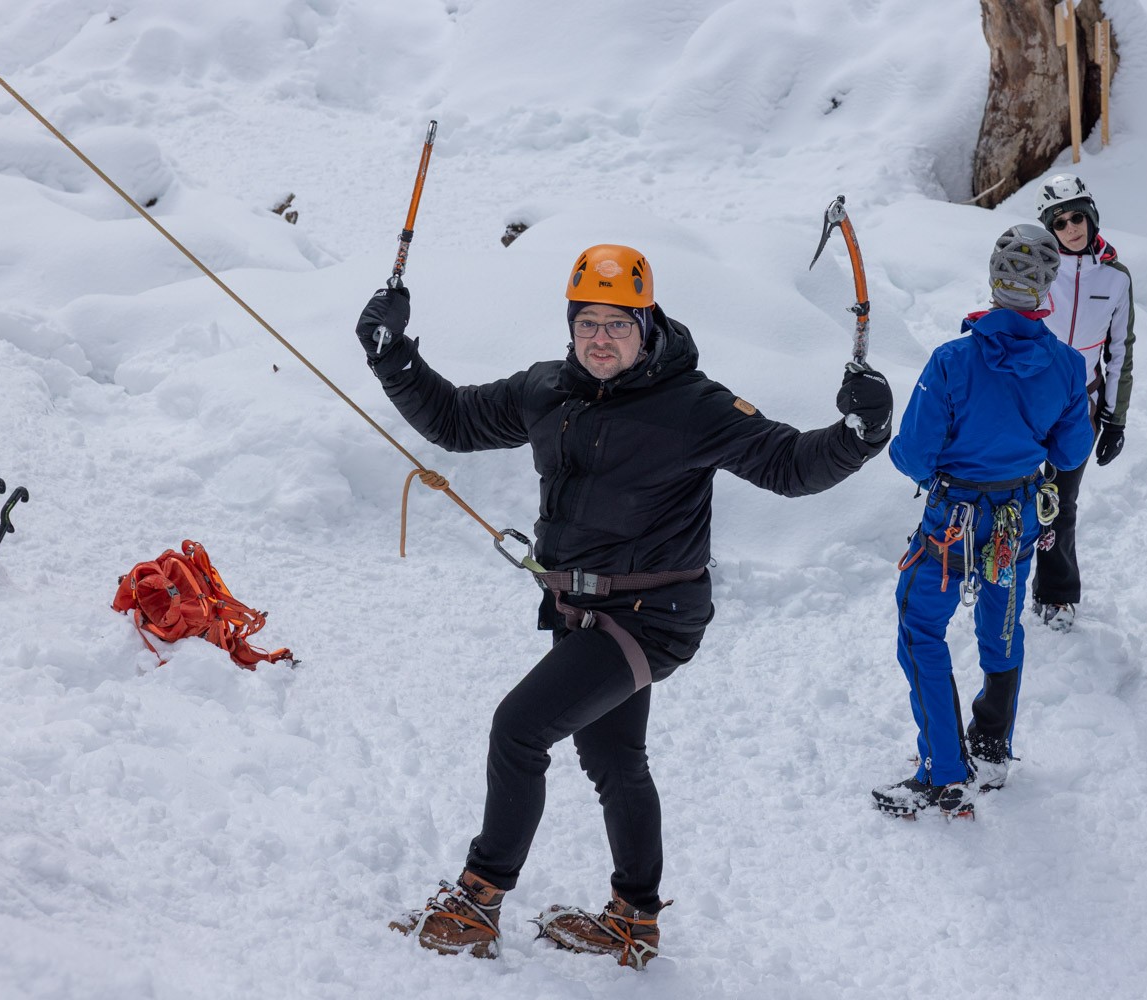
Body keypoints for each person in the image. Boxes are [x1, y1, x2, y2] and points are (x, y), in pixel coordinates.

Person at [357, 244, 893, 966]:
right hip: (580, 609)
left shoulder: (693, 405)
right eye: (587, 324)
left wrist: (858, 438)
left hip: (656, 617)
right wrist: (393, 358)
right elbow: (455, 420)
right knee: (613, 756)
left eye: (617, 323)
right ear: (571, 326)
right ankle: (634, 919)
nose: (600, 339)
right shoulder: (549, 389)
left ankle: (480, 898)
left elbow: (788, 465)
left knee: (519, 729)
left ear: (647, 324)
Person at [873, 225, 1094, 818]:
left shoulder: (953, 362)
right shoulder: (1068, 366)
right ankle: (991, 744)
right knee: (1001, 617)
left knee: (921, 627)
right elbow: (1072, 453)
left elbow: (911, 455)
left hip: (954, 522)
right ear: (1047, 287)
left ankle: (944, 772)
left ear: (994, 279)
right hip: (1013, 520)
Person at [1030, 173, 1137, 632]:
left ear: (1091, 217)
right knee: (1012, 491)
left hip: (1080, 408)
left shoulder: (1115, 278)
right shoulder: (1035, 268)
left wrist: (1115, 420)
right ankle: (1000, 575)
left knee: (1059, 499)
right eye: (1060, 222)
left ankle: (1055, 593)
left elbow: (1120, 352)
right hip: (1028, 403)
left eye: (1078, 217)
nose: (1071, 228)